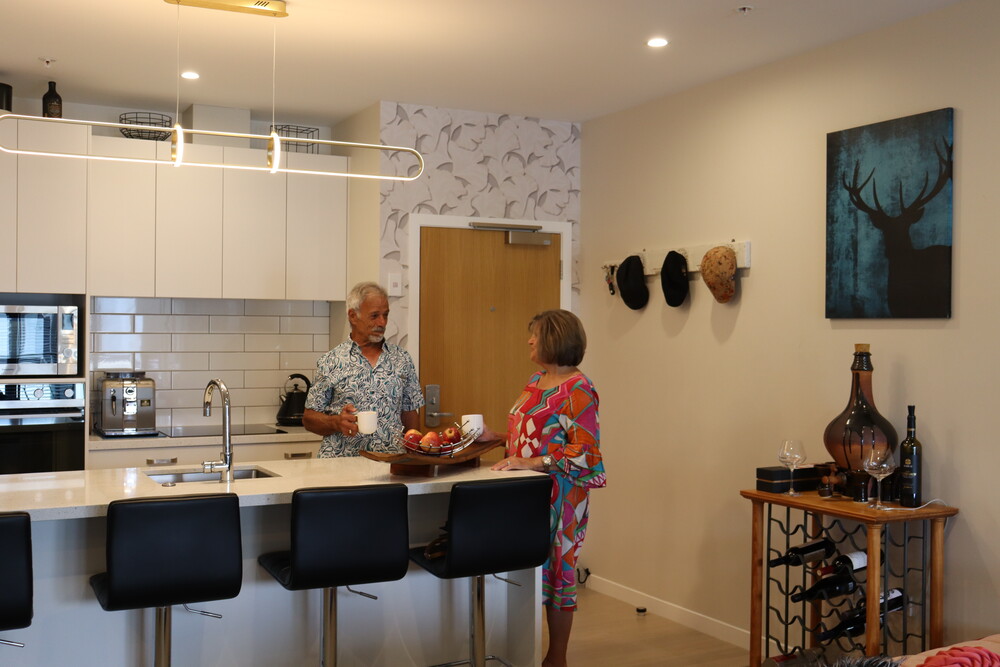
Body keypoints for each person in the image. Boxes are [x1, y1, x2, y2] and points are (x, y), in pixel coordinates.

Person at [489, 309, 606, 667]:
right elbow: (533, 435)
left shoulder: (579, 389)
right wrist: (495, 438)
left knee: (558, 573)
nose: (529, 340)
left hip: (562, 498)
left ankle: (557, 659)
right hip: (527, 496)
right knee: (527, 571)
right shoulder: (537, 380)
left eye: (535, 335)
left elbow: (586, 453)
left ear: (554, 339)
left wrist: (531, 463)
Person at [303, 281, 424, 457]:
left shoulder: (402, 359)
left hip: (390, 462)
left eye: (385, 315)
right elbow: (309, 418)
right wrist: (336, 422)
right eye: (374, 316)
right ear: (353, 316)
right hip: (341, 464)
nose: (382, 322)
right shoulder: (331, 361)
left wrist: (415, 458)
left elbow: (410, 414)